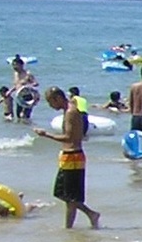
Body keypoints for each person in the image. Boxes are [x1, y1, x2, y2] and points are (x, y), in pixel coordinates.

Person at [34, 87, 100, 228]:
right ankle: (90, 214)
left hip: (74, 157)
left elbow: (69, 137)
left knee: (70, 197)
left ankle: (69, 228)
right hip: (69, 156)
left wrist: (46, 134)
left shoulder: (71, 112)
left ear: (57, 98)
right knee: (61, 193)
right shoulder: (68, 110)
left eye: (50, 102)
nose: (51, 106)